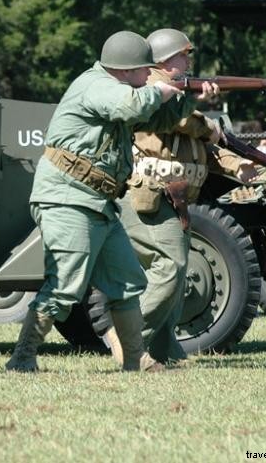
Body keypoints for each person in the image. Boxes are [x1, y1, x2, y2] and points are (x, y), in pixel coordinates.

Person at [6, 31, 219, 373]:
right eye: (144, 70)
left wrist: (191, 99)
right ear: (126, 69)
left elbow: (159, 119)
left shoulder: (123, 88)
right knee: (64, 284)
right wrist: (161, 89)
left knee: (126, 282)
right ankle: (22, 358)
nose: (150, 75)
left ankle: (135, 361)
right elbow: (130, 105)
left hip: (99, 201)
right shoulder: (98, 86)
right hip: (68, 199)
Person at [106, 28, 256, 366]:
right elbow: (183, 121)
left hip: (177, 199)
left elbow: (200, 147)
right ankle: (126, 336)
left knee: (178, 272)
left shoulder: (177, 96)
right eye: (182, 55)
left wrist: (237, 166)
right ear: (162, 60)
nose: (189, 61)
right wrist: (203, 111)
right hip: (149, 196)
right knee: (171, 268)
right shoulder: (147, 91)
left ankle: (164, 349)